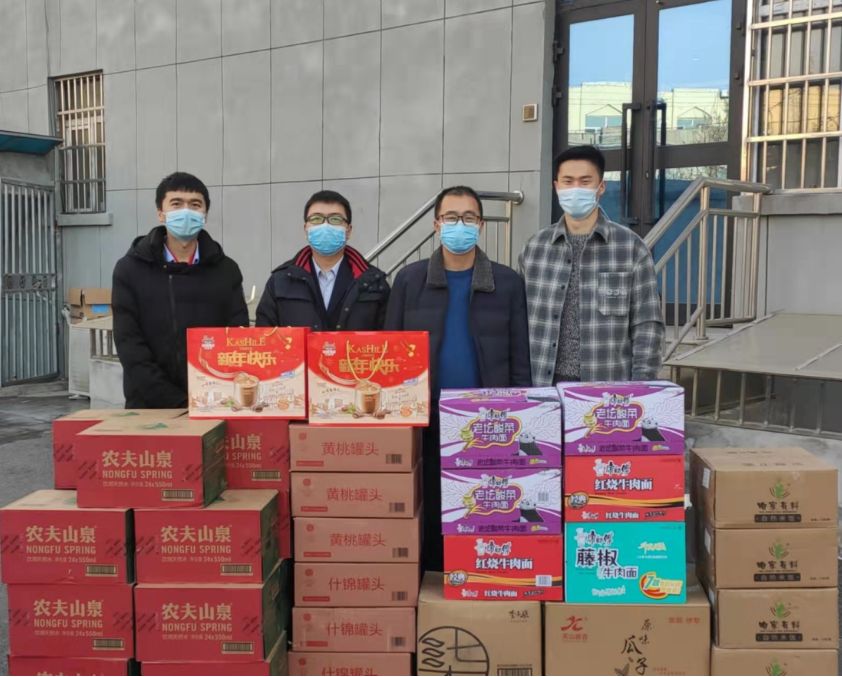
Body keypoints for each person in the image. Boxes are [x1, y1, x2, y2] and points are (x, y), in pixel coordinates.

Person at [384, 185, 532, 571]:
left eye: (468, 218)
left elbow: (520, 359)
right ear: (436, 225)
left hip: (488, 425)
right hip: (429, 421)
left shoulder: (507, 283)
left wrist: (520, 414)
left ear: (481, 225)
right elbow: (392, 356)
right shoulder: (409, 281)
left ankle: (480, 578)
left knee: (484, 510)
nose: (459, 225)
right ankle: (433, 584)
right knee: (432, 512)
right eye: (451, 218)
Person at [519, 145, 664, 386]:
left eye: (585, 181)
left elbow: (647, 325)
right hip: (543, 387)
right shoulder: (535, 249)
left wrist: (641, 386)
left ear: (601, 187)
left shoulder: (630, 248)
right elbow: (518, 324)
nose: (575, 189)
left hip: (607, 390)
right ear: (556, 187)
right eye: (568, 181)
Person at [112, 172, 249, 409]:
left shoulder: (226, 270)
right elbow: (129, 345)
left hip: (214, 402)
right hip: (148, 407)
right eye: (176, 203)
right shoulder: (130, 270)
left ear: (205, 214)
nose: (186, 211)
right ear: (160, 213)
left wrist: (210, 396)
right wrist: (177, 402)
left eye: (195, 205)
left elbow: (237, 338)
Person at [256, 190, 389, 330]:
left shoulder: (375, 284)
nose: (325, 226)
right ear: (306, 229)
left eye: (335, 219)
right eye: (316, 219)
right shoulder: (280, 281)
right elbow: (264, 336)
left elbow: (389, 336)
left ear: (348, 230)